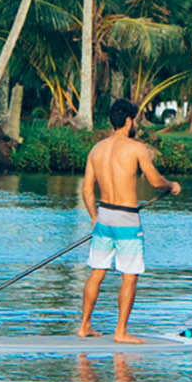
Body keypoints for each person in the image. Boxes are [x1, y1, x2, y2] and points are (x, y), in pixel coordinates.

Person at [77, 99, 176, 343]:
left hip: (104, 216)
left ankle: (84, 326)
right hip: (127, 219)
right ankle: (120, 332)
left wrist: (94, 218)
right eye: (136, 121)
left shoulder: (96, 149)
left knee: (97, 272)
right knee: (129, 276)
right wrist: (171, 185)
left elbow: (87, 190)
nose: (137, 126)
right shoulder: (136, 149)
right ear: (129, 120)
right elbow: (155, 181)